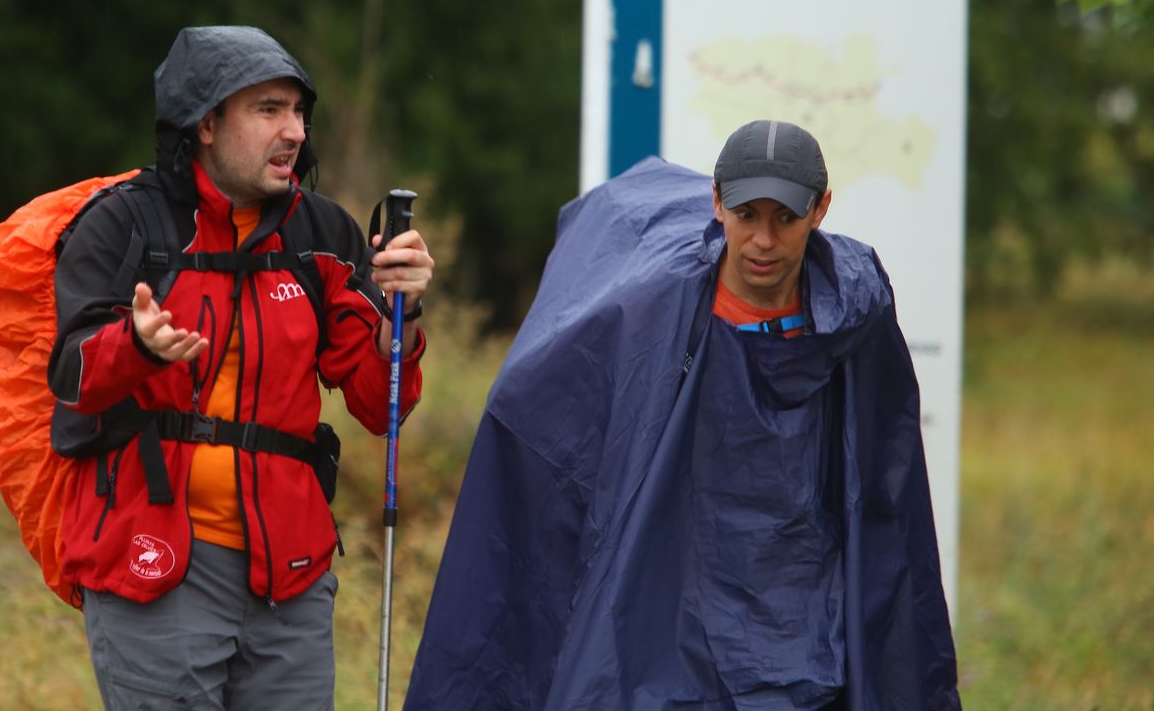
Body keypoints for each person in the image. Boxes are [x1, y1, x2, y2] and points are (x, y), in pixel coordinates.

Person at [404, 120, 960, 711]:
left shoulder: (854, 316)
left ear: (821, 209)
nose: (764, 241)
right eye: (747, 215)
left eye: (785, 218)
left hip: (804, 615)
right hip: (670, 612)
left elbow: (883, 488)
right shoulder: (657, 309)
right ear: (717, 204)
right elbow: (540, 421)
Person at [47, 25, 433, 710]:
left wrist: (396, 325)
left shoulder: (324, 234)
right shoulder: (122, 225)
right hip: (154, 564)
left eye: (299, 112)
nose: (294, 132)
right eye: (268, 110)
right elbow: (72, 377)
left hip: (290, 577)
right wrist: (136, 347)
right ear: (205, 123)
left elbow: (382, 407)